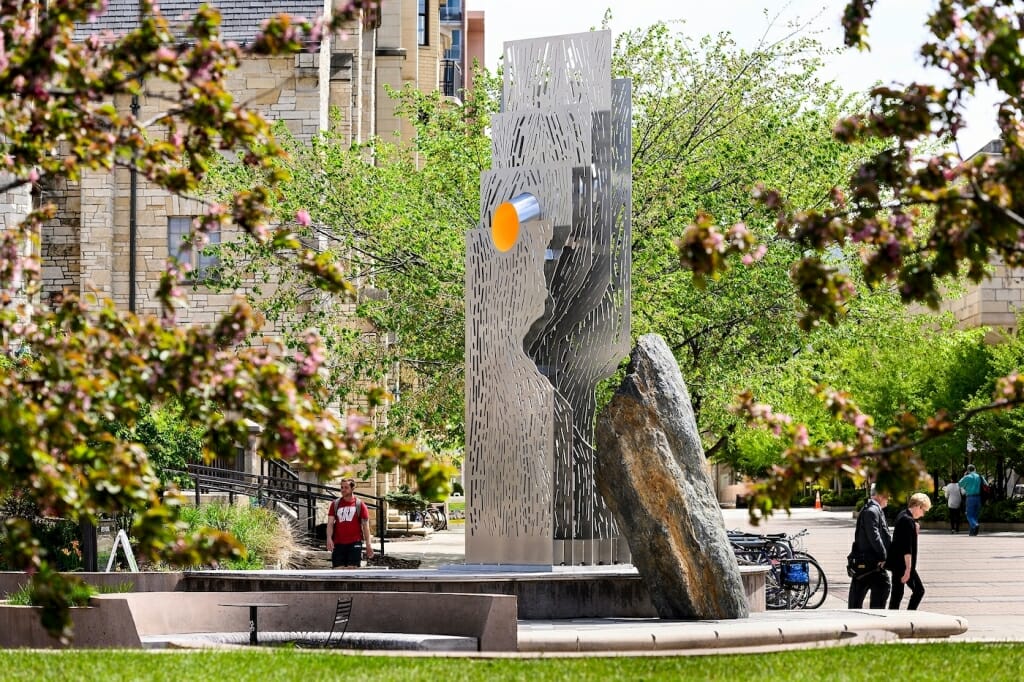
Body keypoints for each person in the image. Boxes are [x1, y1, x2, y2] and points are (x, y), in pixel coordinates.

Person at [848, 485, 892, 609]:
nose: (888, 498)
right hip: (870, 562)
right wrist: (883, 556)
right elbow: (875, 537)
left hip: (869, 563)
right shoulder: (871, 511)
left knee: (859, 596)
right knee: (882, 587)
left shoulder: (873, 510)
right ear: (879, 495)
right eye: (886, 495)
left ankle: (861, 619)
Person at [886, 492, 932, 610]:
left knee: (897, 594)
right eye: (923, 510)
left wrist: (914, 526)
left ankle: (893, 618)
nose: (923, 514)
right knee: (918, 591)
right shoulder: (908, 521)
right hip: (903, 565)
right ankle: (909, 615)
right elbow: (907, 548)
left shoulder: (903, 515)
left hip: (897, 563)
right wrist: (908, 569)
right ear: (918, 506)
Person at [326, 478, 374, 568]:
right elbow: (330, 524)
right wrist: (329, 538)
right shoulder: (335, 504)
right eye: (342, 487)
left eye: (346, 487)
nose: (343, 490)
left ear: (352, 489)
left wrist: (368, 545)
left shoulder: (360, 505)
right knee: (338, 571)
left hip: (354, 543)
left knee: (352, 572)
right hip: (338, 543)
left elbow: (366, 527)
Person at [959, 464, 985, 536]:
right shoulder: (980, 476)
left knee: (969, 514)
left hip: (970, 498)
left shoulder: (967, 477)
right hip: (979, 497)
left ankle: (975, 525)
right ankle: (972, 532)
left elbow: (960, 484)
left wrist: (964, 476)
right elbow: (986, 484)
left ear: (968, 470)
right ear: (975, 469)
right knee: (975, 515)